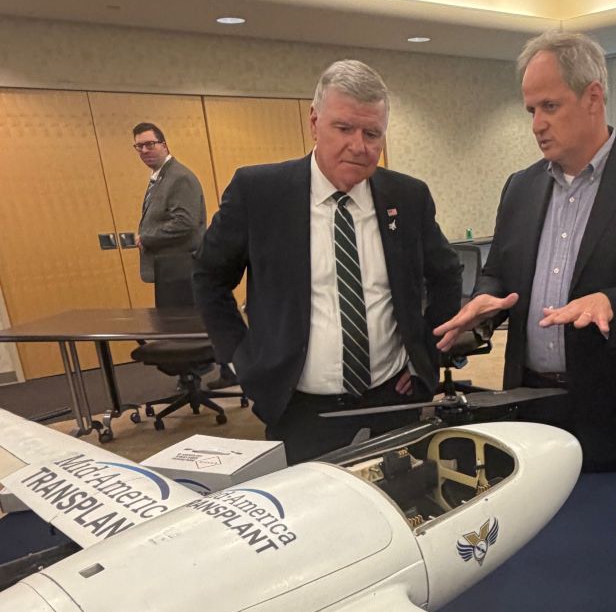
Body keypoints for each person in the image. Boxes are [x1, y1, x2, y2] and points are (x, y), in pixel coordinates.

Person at [434, 29, 616, 472]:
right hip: (529, 406)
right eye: (531, 110)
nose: (537, 123)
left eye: (550, 106)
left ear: (593, 97)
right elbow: (499, 270)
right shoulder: (520, 187)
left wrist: (611, 303)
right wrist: (488, 298)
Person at [193, 60, 462, 463]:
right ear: (314, 121)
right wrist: (241, 357)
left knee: (404, 507)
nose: (359, 145)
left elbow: (446, 274)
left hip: (393, 399)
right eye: (344, 128)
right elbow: (208, 276)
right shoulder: (259, 193)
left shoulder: (408, 198)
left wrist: (425, 355)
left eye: (372, 133)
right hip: (300, 407)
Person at [133, 122, 206, 284]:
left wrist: (145, 238)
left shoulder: (179, 177)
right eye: (139, 146)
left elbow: (185, 223)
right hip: (169, 271)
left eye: (150, 144)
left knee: (183, 311)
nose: (144, 150)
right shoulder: (161, 177)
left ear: (164, 146)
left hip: (181, 270)